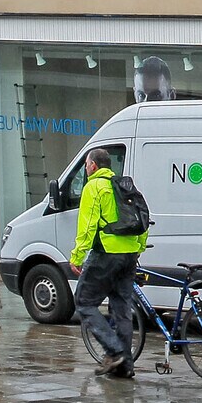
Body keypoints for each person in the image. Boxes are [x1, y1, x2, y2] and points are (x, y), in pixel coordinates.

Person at [70, 147, 148, 378]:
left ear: (93, 165)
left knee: (83, 302)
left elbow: (88, 226)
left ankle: (115, 351)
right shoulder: (124, 186)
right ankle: (125, 367)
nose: (86, 168)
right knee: (122, 308)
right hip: (129, 254)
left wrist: (77, 256)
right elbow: (143, 219)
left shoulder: (94, 187)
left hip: (106, 253)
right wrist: (138, 249)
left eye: (86, 164)